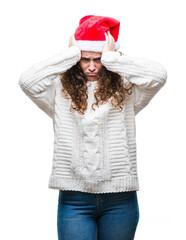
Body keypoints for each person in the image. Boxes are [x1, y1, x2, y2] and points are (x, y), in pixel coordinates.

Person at [18, 15, 167, 240]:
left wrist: (113, 59)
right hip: (75, 199)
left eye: (98, 59)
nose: (91, 66)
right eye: (84, 59)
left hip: (120, 199)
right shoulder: (59, 91)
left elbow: (159, 75)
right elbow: (27, 81)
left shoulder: (126, 89)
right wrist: (68, 55)